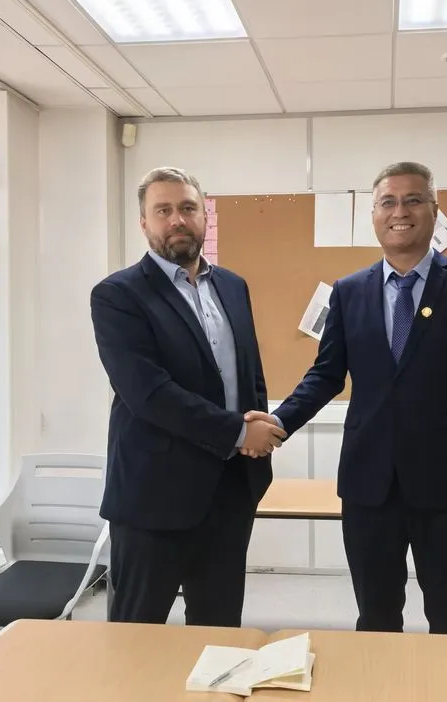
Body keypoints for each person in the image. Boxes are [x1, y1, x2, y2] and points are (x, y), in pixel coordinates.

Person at [245, 161, 447, 635]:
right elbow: (326, 375)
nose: (399, 212)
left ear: (434, 210)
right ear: (374, 215)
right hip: (369, 485)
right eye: (387, 202)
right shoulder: (349, 292)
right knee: (375, 616)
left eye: (413, 200)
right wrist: (278, 421)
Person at [90, 166, 286, 626]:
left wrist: (256, 434)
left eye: (187, 208)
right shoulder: (118, 295)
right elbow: (149, 394)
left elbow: (249, 374)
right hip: (153, 498)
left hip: (230, 492)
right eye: (163, 210)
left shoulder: (233, 286)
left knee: (219, 631)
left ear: (204, 217)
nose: (176, 219)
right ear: (144, 222)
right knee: (137, 637)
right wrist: (239, 432)